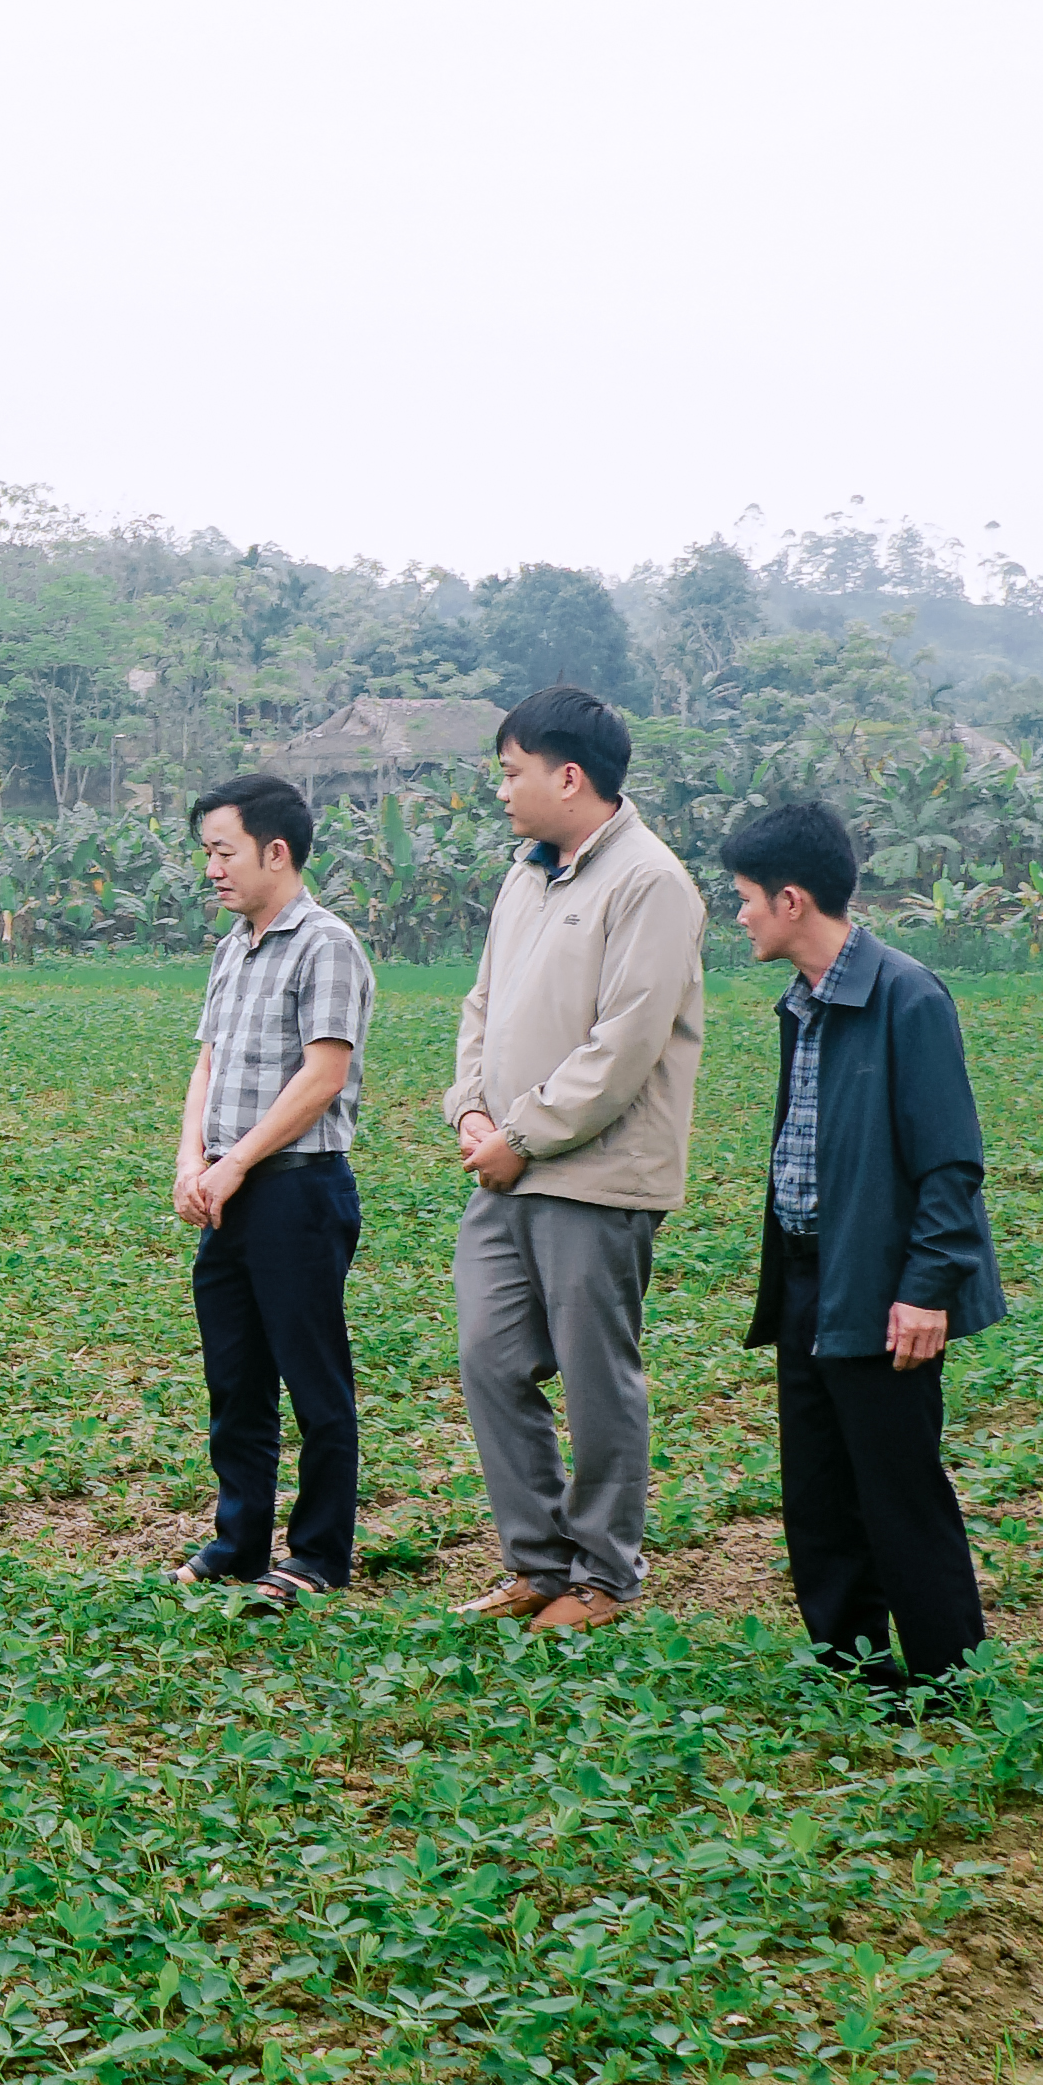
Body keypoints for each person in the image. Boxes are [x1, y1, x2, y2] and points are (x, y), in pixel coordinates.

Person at [717, 798, 1002, 1693]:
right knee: (818, 1488)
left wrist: (926, 1291)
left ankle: (949, 1676)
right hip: (810, 1276)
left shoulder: (906, 997)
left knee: (898, 1487)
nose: (740, 914)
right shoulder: (803, 1003)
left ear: (792, 899)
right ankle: (850, 1666)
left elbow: (951, 1164)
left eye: (745, 898)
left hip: (884, 1289)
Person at [440, 684, 703, 1636]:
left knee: (597, 1379)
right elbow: (484, 1004)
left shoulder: (650, 882)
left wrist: (524, 1135)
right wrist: (471, 1109)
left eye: (512, 773)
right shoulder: (525, 875)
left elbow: (626, 1043)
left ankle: (603, 1576)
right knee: (488, 1358)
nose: (502, 792)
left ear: (569, 775)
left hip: (594, 1175)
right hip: (503, 1164)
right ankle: (538, 1562)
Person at [172, 773, 370, 1601]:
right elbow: (208, 1062)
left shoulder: (326, 944)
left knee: (314, 1381)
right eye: (207, 854)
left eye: (223, 851)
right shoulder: (233, 948)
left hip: (296, 1189)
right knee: (236, 1378)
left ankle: (318, 1556)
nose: (211, 868)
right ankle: (239, 1541)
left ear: (275, 851)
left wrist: (237, 1160)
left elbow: (323, 1076)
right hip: (231, 1186)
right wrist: (193, 1160)